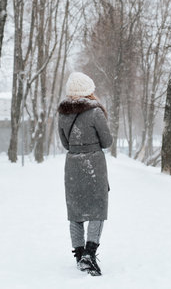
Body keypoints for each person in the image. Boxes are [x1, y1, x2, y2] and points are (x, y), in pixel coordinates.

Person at [58, 71, 113, 276]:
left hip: (72, 165)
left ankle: (79, 254)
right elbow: (107, 142)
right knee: (97, 209)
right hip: (94, 165)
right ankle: (90, 254)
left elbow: (65, 143)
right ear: (89, 91)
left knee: (76, 212)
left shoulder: (63, 114)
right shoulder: (96, 112)